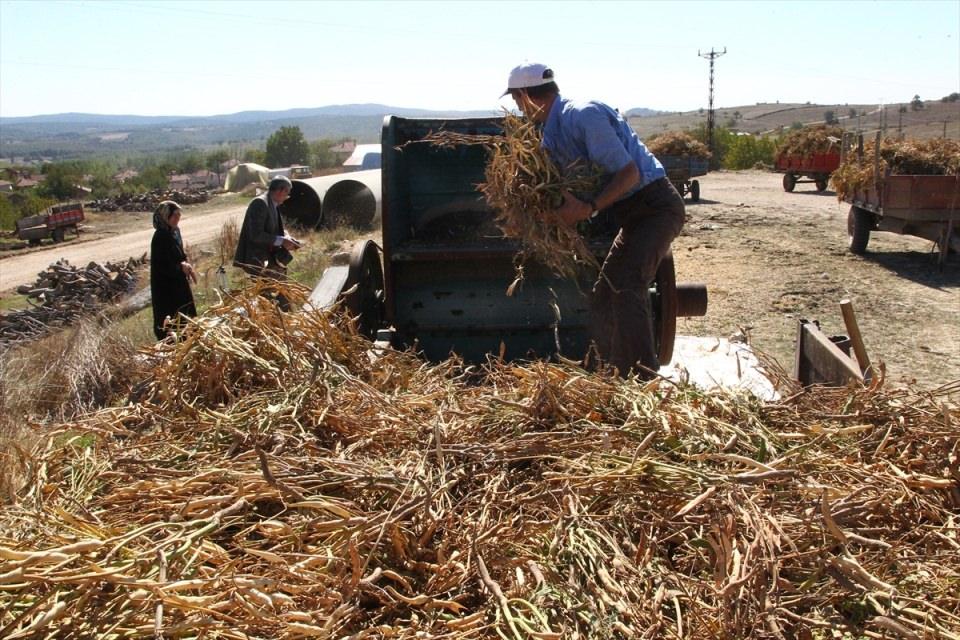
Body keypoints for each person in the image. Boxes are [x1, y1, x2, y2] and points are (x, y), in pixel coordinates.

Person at [503, 62, 686, 378]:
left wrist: (588, 207)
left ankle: (645, 381)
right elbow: (562, 188)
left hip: (655, 207)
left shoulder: (583, 115)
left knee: (628, 285)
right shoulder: (551, 133)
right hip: (630, 216)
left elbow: (631, 174)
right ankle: (609, 374)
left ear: (526, 96)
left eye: (518, 102)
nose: (519, 110)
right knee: (604, 296)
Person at [233, 175, 301, 309]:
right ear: (280, 191)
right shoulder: (259, 203)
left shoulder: (272, 203)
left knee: (281, 294)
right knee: (268, 300)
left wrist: (287, 237)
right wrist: (281, 241)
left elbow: (273, 228)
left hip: (271, 260)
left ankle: (286, 322)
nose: (286, 197)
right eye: (287, 193)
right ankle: (276, 326)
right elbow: (256, 235)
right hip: (260, 262)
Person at [150, 200, 197, 340]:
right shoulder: (160, 237)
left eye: (179, 215)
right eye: (174, 215)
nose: (178, 218)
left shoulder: (172, 233)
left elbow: (179, 255)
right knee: (173, 324)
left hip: (177, 285)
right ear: (166, 216)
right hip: (167, 290)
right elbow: (162, 266)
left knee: (186, 321)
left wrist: (184, 264)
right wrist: (180, 267)